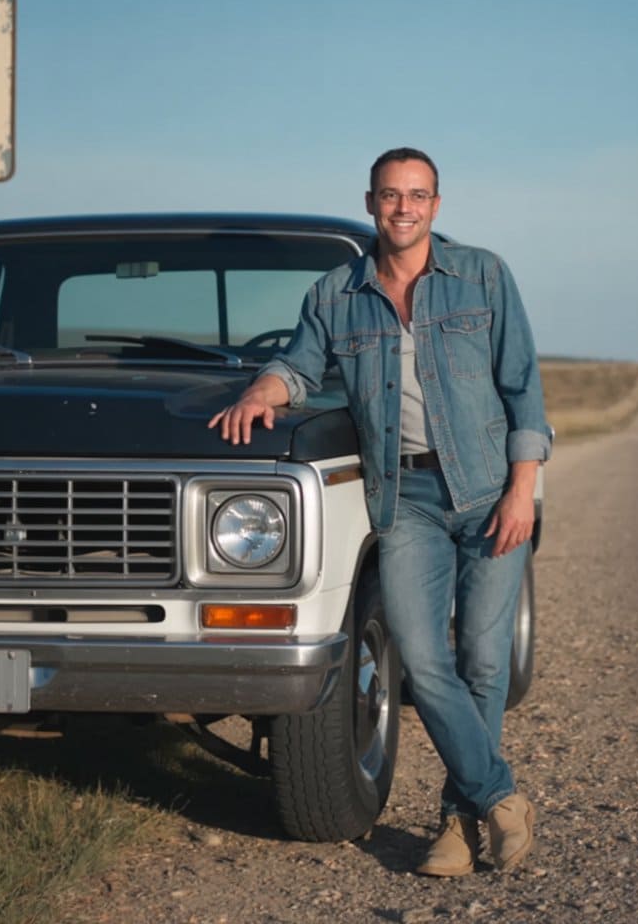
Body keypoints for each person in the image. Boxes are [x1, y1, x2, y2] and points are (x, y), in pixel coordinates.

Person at [209, 148, 552, 875]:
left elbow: (523, 387)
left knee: (484, 662)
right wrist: (256, 395)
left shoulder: (484, 275)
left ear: (436, 204)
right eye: (392, 195)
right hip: (405, 503)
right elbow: (298, 368)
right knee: (424, 662)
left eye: (418, 195)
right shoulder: (334, 294)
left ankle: (459, 825)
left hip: (490, 493)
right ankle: (500, 798)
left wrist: (523, 492)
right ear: (371, 203)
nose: (405, 208)